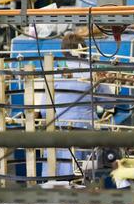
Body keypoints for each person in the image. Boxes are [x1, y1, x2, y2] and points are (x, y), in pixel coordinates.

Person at [41, 32, 107, 178]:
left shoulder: (54, 74)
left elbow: (44, 111)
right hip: (86, 129)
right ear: (83, 49)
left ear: (63, 51)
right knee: (85, 174)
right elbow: (110, 104)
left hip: (59, 130)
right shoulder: (93, 72)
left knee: (57, 173)